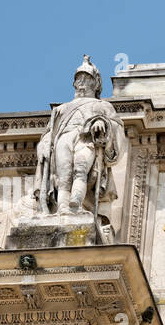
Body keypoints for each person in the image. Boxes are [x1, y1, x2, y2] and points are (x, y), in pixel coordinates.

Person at [33, 55, 122, 222]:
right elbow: (49, 133)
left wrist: (102, 124)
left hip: (86, 139)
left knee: (81, 170)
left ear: (95, 83)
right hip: (64, 138)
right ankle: (63, 209)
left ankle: (77, 204)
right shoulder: (61, 109)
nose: (82, 82)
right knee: (64, 176)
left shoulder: (103, 106)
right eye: (79, 78)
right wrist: (44, 145)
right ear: (74, 83)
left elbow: (115, 125)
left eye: (86, 78)